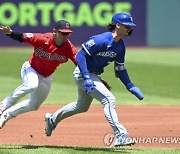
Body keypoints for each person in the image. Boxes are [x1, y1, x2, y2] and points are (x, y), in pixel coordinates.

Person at [44, 13, 144, 147]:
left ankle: (52, 119)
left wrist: (130, 85)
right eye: (127, 26)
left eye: (130, 27)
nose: (129, 29)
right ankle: (120, 135)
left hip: (93, 75)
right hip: (83, 73)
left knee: (81, 106)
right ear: (117, 25)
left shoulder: (120, 47)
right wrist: (86, 77)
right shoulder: (101, 40)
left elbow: (120, 69)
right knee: (109, 100)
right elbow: (80, 56)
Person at [0, 20, 77, 129]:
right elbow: (23, 37)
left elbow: (80, 63)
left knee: (34, 105)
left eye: (67, 33)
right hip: (31, 69)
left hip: (47, 77)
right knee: (31, 85)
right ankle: (4, 105)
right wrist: (10, 32)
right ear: (54, 31)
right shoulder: (43, 39)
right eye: (62, 33)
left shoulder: (69, 48)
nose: (65, 36)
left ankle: (7, 114)